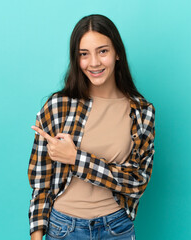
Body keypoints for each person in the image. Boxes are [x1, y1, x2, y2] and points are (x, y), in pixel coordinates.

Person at [28, 14, 156, 240]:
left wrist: (76, 159)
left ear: (117, 53)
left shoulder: (141, 111)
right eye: (84, 54)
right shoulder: (58, 107)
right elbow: (41, 184)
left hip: (116, 228)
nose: (94, 62)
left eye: (102, 51)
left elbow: (137, 181)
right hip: (63, 229)